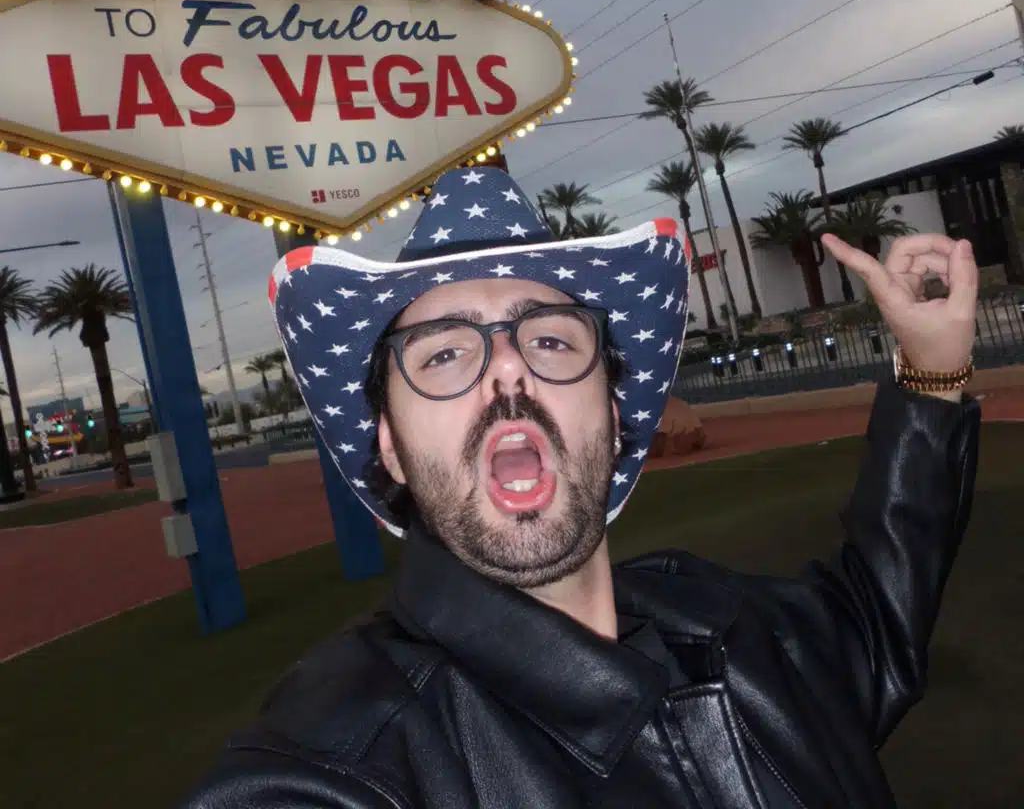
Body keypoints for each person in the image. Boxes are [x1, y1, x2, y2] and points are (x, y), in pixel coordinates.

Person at [182, 166, 980, 809]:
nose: (508, 370)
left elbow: (877, 617)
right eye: (443, 354)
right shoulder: (344, 760)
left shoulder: (727, 626)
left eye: (552, 340)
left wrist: (932, 370)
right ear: (389, 447)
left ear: (615, 411)